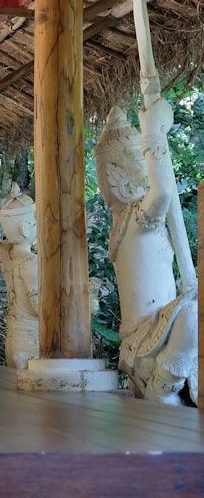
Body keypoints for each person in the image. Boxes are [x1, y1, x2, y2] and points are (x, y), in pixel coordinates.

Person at [96, 103, 197, 405]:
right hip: (149, 335)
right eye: (141, 165)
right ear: (119, 178)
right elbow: (163, 192)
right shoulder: (136, 220)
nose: (147, 174)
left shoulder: (126, 227)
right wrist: (152, 136)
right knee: (193, 316)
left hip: (152, 331)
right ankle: (162, 391)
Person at [0, 183, 39, 370]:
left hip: (13, 338)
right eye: (36, 222)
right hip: (33, 340)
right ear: (25, 228)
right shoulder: (32, 263)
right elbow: (40, 308)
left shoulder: (7, 255)